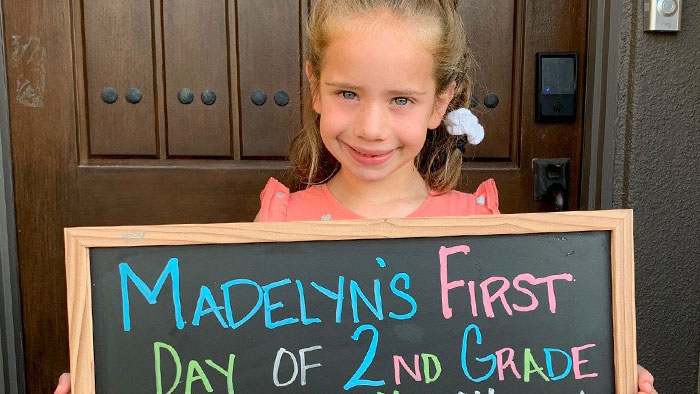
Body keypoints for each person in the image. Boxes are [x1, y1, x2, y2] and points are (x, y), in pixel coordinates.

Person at [55, 0, 657, 392]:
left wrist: (602, 374)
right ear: (315, 88)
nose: (370, 128)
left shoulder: (480, 234)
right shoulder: (277, 223)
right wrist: (106, 375)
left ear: (440, 103)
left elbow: (518, 368)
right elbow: (227, 366)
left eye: (400, 99)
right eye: (347, 94)